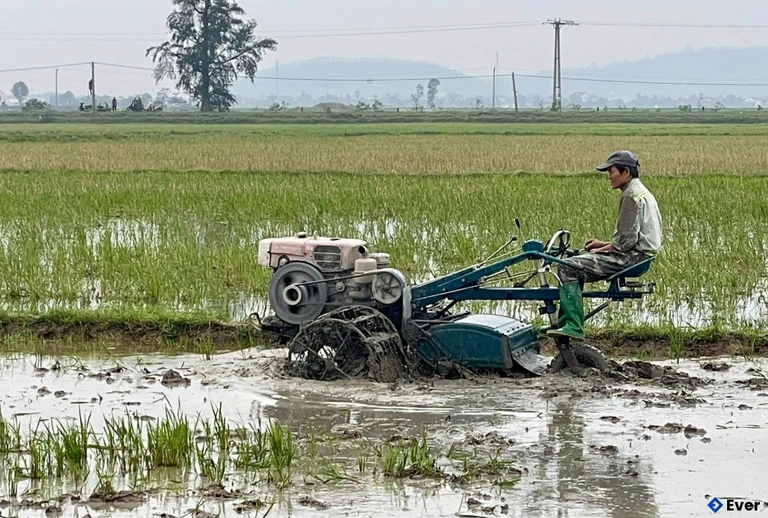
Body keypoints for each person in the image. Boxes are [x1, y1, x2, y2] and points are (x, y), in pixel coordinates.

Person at [546, 150, 662, 342]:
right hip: (640, 255)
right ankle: (564, 324)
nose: (609, 177)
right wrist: (605, 244)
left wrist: (607, 248)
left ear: (626, 172)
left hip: (631, 258)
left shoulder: (630, 196)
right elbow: (633, 236)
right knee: (575, 262)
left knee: (567, 266)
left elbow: (626, 241)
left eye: (611, 171)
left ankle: (573, 326)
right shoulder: (641, 192)